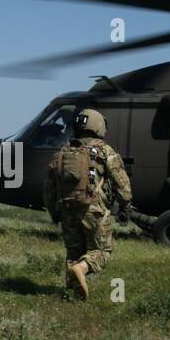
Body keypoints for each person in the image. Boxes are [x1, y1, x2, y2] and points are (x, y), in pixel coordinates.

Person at [43, 108, 132, 300]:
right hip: (94, 211)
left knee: (74, 252)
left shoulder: (63, 152)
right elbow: (123, 184)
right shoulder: (104, 150)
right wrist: (124, 204)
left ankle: (73, 294)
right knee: (101, 252)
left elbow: (49, 189)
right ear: (98, 126)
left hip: (67, 210)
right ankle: (81, 269)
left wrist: (54, 212)